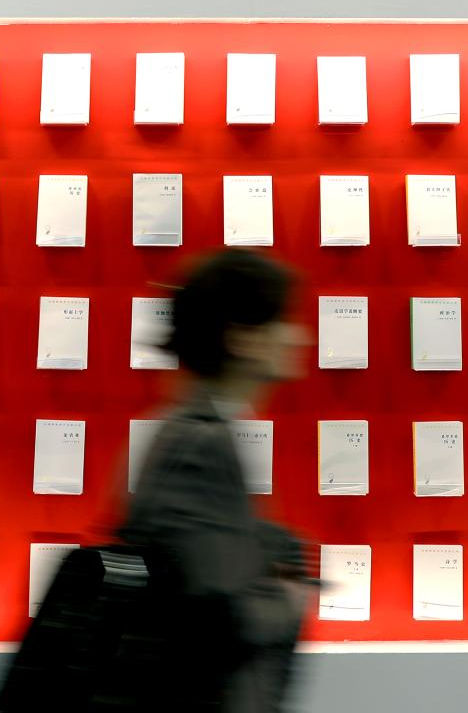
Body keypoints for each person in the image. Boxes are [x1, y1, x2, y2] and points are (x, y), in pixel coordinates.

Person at [119, 248, 312, 712]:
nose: (298, 335)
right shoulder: (203, 444)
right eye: (282, 321)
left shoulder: (186, 429)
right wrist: (287, 596)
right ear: (242, 338)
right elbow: (215, 615)